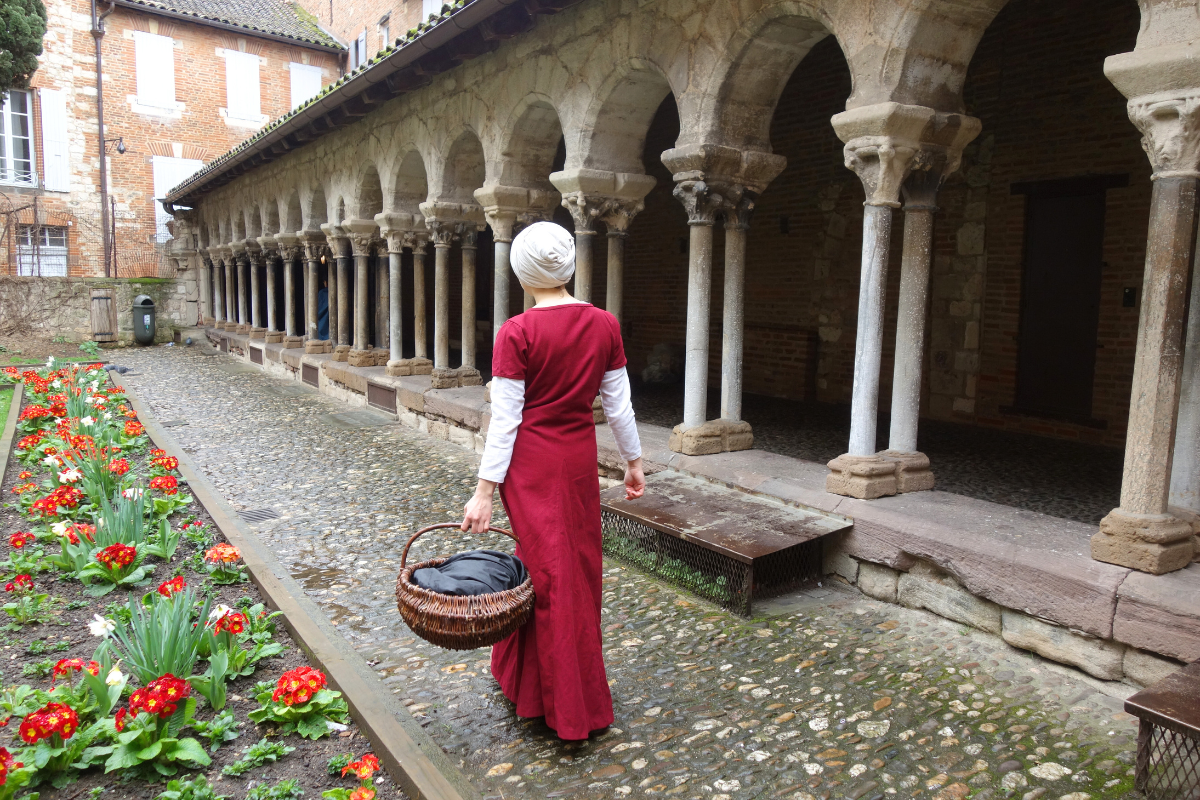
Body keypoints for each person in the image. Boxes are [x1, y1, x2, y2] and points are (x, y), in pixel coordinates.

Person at [462, 221, 645, 741]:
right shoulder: (604, 324)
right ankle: (549, 690)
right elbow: (619, 407)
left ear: (521, 273)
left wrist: (483, 492)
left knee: (547, 574)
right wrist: (633, 462)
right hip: (578, 460)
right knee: (574, 573)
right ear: (568, 268)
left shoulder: (517, 332)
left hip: (532, 468)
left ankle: (556, 701)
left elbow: (507, 420)